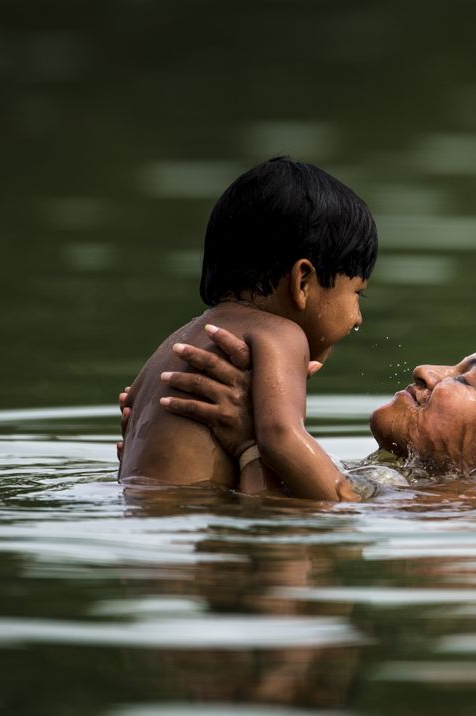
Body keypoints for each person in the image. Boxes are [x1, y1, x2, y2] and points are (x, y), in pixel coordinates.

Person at [122, 326, 476, 500]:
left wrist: (252, 440)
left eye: (465, 378)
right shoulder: (419, 489)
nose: (425, 370)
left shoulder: (471, 511)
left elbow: (292, 531)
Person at [119, 156, 377, 501]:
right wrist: (346, 499)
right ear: (302, 281)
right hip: (198, 529)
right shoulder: (281, 335)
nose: (358, 317)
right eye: (357, 293)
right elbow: (281, 437)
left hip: (138, 523)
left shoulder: (173, 344)